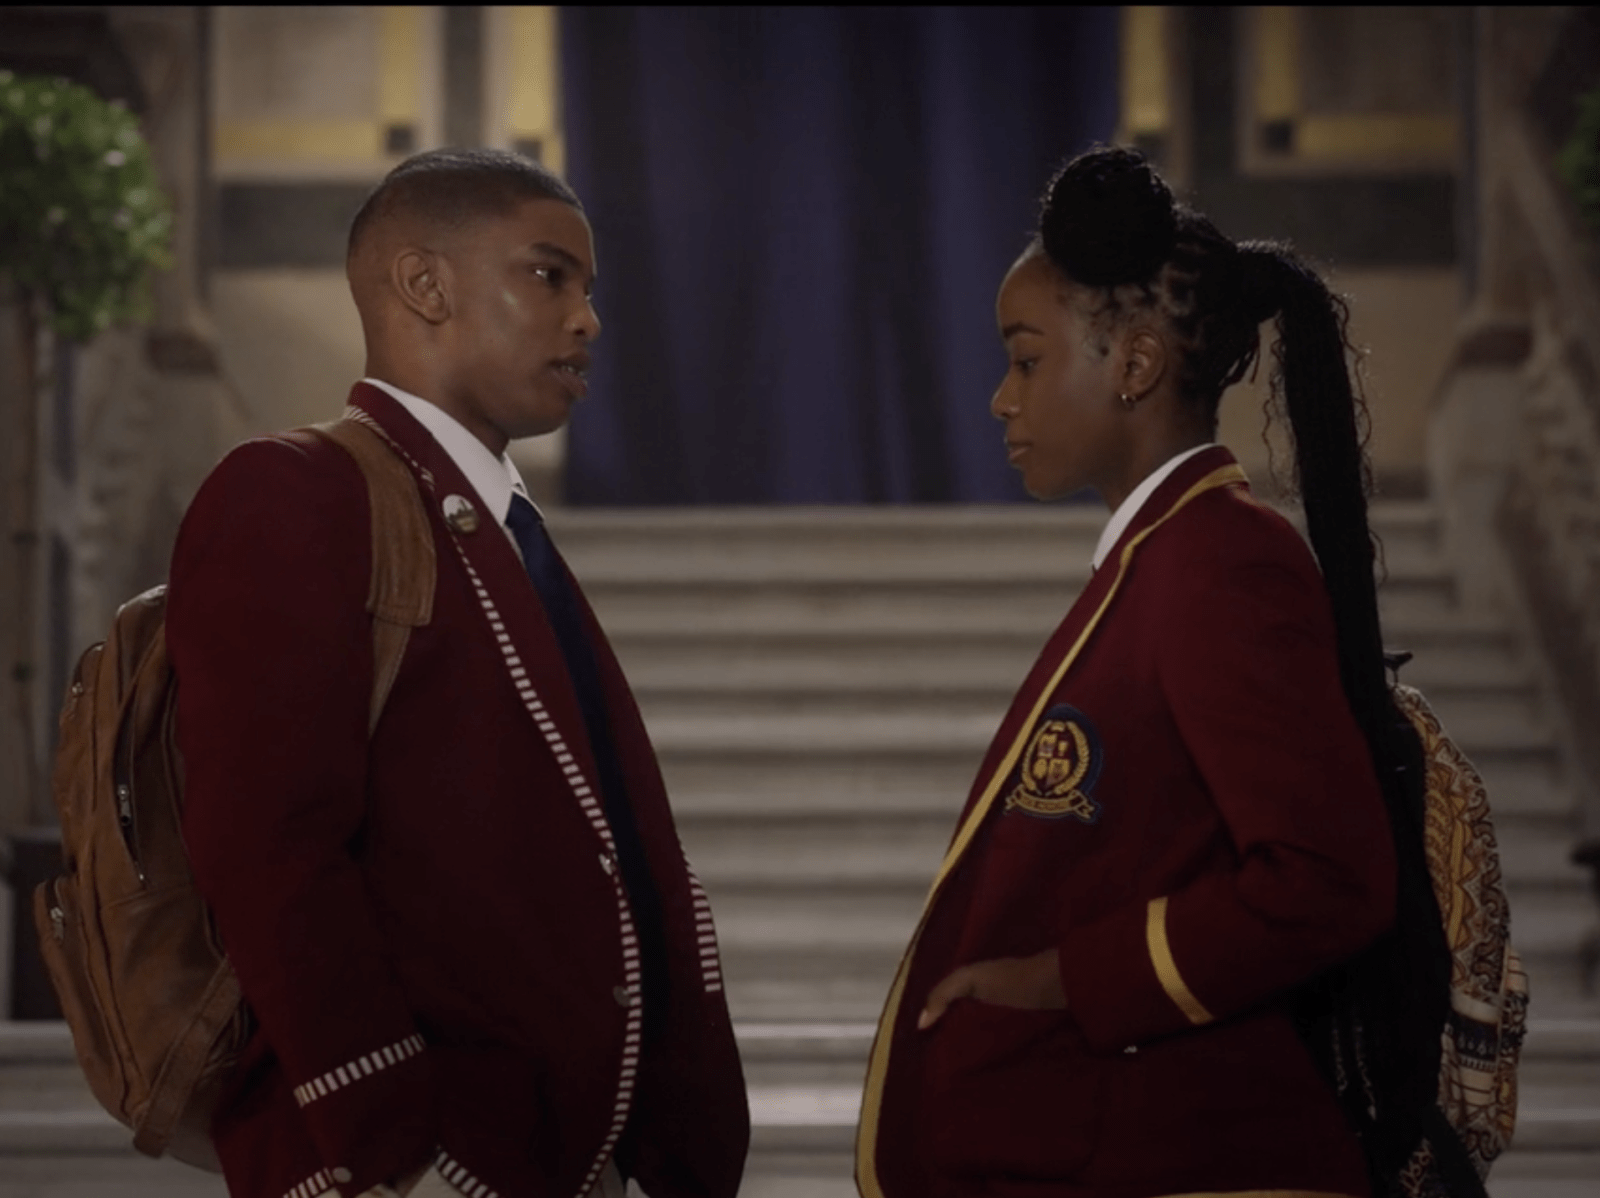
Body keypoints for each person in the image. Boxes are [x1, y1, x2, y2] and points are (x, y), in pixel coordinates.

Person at [855, 146, 1438, 1198]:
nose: (1000, 400)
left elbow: (1326, 879)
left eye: (1025, 361)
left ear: (1133, 365)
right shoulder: (1163, 558)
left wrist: (1062, 979)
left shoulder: (1222, 563)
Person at [165, 149, 749, 1198]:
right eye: (548, 276)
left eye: (588, 288)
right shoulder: (297, 493)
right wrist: (400, 1147)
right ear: (424, 285)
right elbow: (269, 846)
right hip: (417, 1159)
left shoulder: (494, 519)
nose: (587, 320)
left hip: (555, 1147)